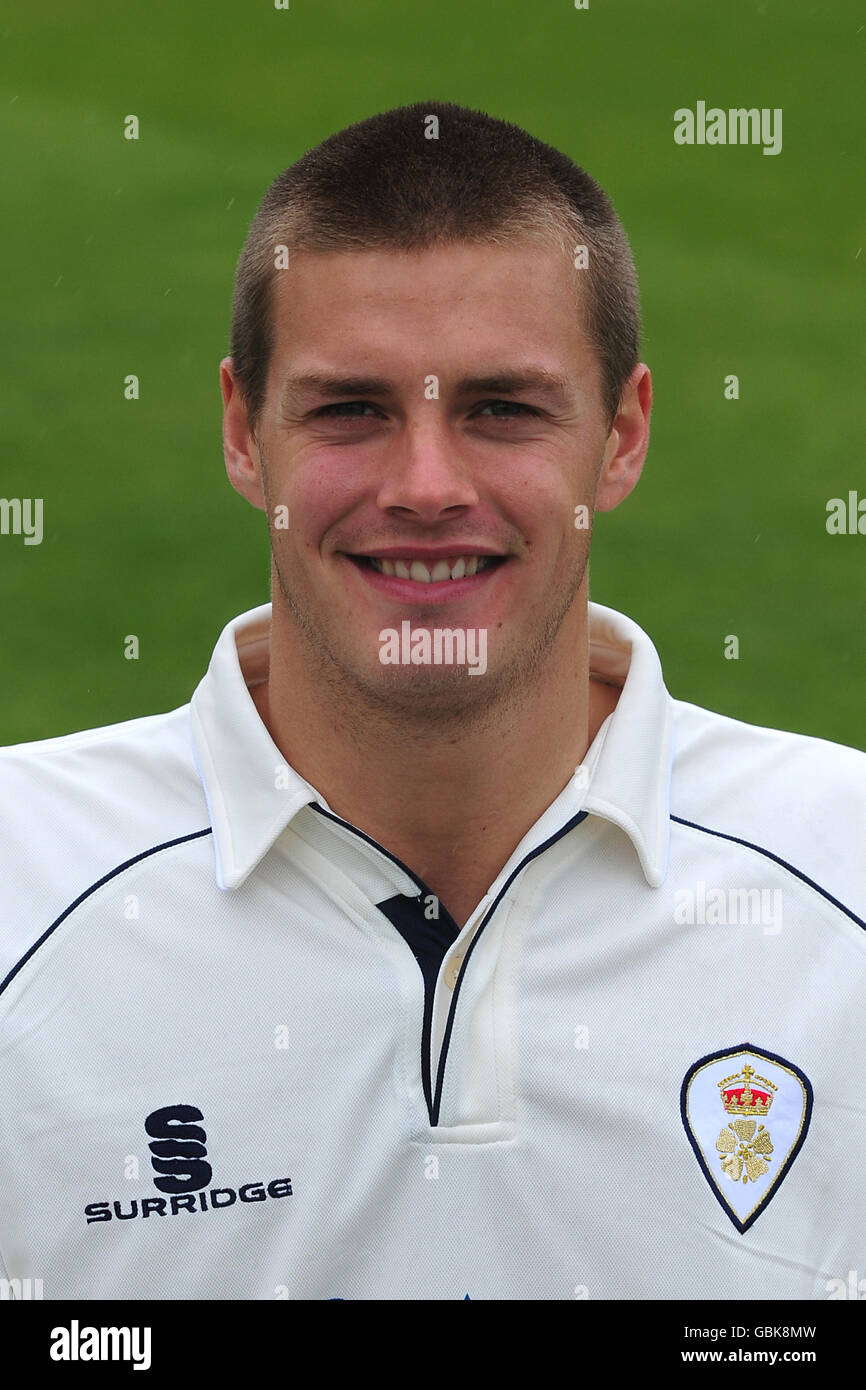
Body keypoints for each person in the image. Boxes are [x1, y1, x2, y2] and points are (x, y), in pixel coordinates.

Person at [0, 101, 862, 1302]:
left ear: (620, 436)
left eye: (500, 409)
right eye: (351, 408)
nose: (424, 486)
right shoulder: (19, 888)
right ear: (245, 434)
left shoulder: (844, 889)